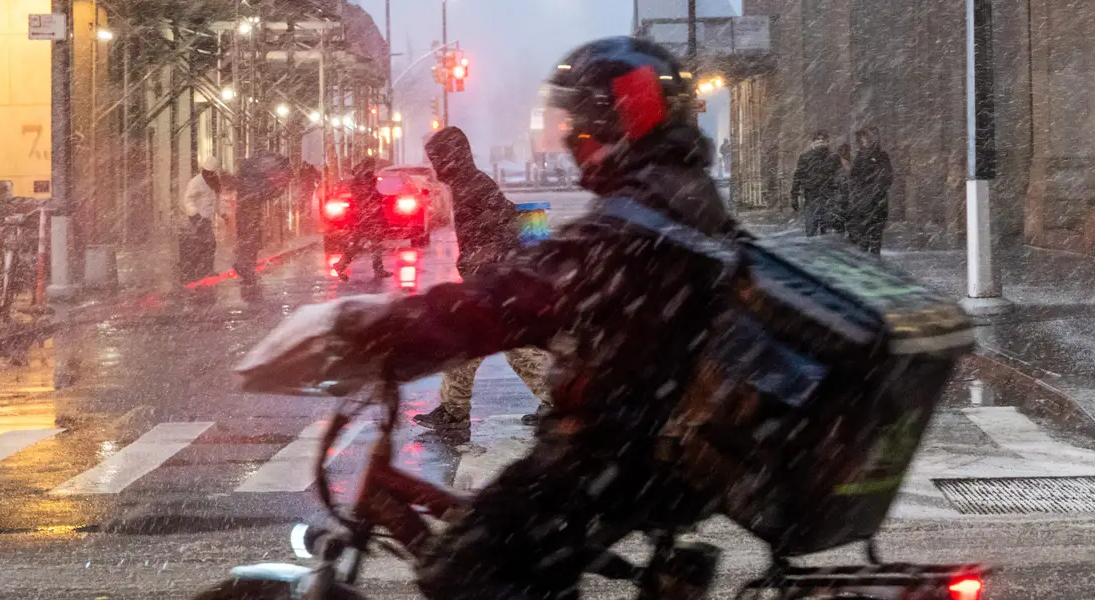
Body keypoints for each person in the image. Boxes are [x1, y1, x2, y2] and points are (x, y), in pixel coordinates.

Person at [251, 38, 735, 600]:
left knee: (465, 567)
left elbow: (531, 288)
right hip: (644, 437)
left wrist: (374, 329)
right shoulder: (673, 192)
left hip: (619, 447)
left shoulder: (643, 212)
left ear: (622, 117)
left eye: (581, 122)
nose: (572, 138)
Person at [412, 126, 552, 433]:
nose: (435, 167)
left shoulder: (473, 186)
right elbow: (501, 222)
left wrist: (482, 264)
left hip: (495, 281)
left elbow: (498, 229)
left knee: (512, 347)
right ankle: (453, 411)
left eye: (437, 159)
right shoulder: (468, 183)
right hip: (491, 279)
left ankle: (558, 402)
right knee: (467, 345)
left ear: (452, 157)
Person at [234, 152, 291, 298]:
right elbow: (262, 194)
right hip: (249, 216)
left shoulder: (248, 179)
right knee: (251, 243)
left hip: (248, 215)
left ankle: (246, 268)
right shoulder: (252, 182)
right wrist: (277, 190)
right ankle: (246, 269)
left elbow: (260, 194)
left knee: (250, 243)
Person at [334, 158, 391, 281]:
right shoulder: (364, 180)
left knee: (361, 244)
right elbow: (368, 197)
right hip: (367, 217)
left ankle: (341, 265)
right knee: (373, 244)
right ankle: (378, 269)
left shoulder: (361, 179)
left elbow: (369, 197)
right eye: (372, 165)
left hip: (364, 217)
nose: (374, 168)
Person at [847, 126, 893, 254]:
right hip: (863, 203)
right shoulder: (860, 157)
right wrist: (858, 193)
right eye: (863, 137)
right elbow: (853, 178)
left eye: (868, 136)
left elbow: (887, 177)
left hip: (877, 202)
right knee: (863, 239)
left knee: (876, 238)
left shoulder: (882, 156)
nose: (865, 140)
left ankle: (873, 259)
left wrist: (876, 189)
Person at [790, 130, 842, 237]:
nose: (820, 141)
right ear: (813, 141)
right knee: (812, 230)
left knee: (825, 231)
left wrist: (842, 196)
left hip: (827, 197)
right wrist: (794, 195)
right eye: (818, 139)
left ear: (827, 141)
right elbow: (798, 176)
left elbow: (840, 177)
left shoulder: (833, 157)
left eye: (823, 139)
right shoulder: (805, 157)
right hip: (812, 197)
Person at [180, 156, 223, 283]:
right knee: (209, 243)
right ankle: (204, 270)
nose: (210, 175)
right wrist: (195, 214)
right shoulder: (196, 182)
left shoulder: (214, 182)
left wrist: (223, 214)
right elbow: (187, 200)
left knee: (205, 244)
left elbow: (215, 201)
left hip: (206, 218)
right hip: (199, 217)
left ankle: (202, 270)